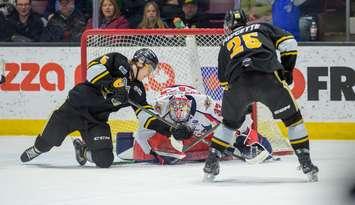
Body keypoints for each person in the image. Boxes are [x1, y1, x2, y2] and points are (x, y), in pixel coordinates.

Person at [20, 48, 193, 168]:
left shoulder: (137, 90)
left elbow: (145, 116)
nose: (149, 74)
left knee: (104, 160)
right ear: (140, 63)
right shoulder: (118, 61)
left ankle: (82, 151)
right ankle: (37, 149)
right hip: (73, 110)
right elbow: (92, 70)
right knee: (45, 144)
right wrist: (114, 85)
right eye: (149, 68)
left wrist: (171, 130)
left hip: (96, 121)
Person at [202, 9, 319, 182]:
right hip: (267, 78)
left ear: (228, 25)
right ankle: (306, 163)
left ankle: (211, 164)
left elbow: (224, 82)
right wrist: (287, 70)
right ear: (246, 20)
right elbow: (289, 44)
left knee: (228, 125)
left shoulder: (225, 43)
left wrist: (241, 103)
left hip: (237, 85)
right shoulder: (262, 27)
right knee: (294, 121)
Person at [116, 85, 273, 165]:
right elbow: (143, 132)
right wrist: (149, 152)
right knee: (159, 149)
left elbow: (237, 118)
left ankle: (249, 143)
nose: (178, 115)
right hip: (169, 102)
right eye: (174, 111)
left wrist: (242, 141)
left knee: (231, 131)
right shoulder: (159, 107)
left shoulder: (205, 104)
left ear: (189, 108)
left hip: (198, 115)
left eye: (182, 111)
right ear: (169, 109)